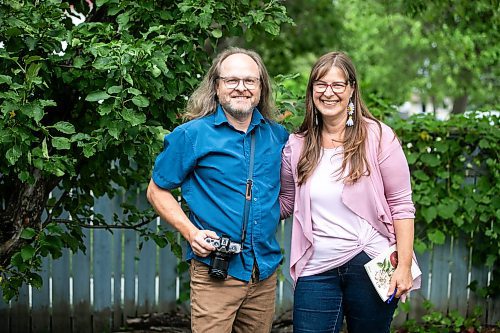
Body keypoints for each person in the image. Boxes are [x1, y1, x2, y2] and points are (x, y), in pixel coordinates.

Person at [147, 47, 289, 333]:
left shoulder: (278, 136)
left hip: (263, 273)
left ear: (261, 87)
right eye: (231, 80)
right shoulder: (191, 135)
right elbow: (156, 190)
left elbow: (289, 192)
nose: (241, 87)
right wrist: (191, 232)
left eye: (250, 80)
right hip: (216, 272)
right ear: (216, 86)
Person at [279, 51, 421, 333]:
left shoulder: (379, 137)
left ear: (352, 89)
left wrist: (403, 266)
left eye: (337, 85)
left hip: (371, 260)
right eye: (320, 84)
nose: (328, 92)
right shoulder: (297, 146)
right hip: (316, 267)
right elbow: (285, 204)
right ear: (311, 91)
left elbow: (401, 205)